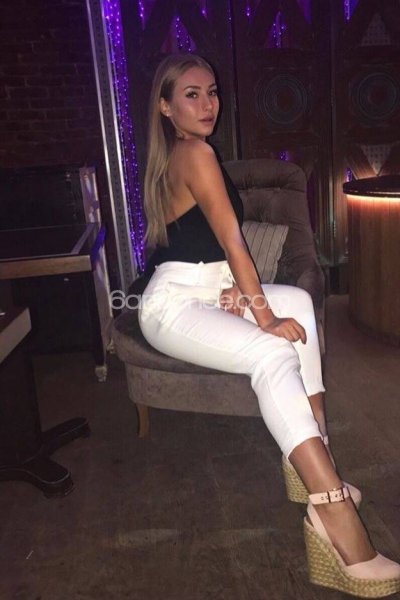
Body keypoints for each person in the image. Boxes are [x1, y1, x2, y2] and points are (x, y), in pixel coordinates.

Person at [138, 53, 400, 597]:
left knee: (299, 304)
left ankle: (316, 462)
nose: (208, 104)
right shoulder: (194, 153)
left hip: (204, 290)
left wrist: (232, 290)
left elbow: (200, 247)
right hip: (172, 305)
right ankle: (333, 513)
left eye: (212, 92)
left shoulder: (184, 154)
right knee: (272, 350)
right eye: (191, 94)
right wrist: (262, 313)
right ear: (165, 107)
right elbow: (231, 238)